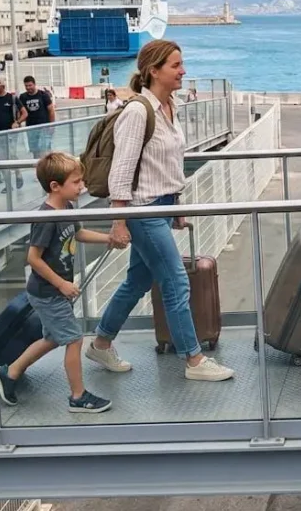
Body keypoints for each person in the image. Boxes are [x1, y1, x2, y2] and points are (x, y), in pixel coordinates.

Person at [88, 39, 234, 382]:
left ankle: (101, 342)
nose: (183, 71)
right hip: (142, 210)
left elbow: (168, 162)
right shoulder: (139, 111)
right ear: (154, 70)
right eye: (175, 65)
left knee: (138, 280)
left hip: (161, 205)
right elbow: (121, 171)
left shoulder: (170, 105)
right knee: (175, 281)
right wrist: (119, 221)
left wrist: (175, 204)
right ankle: (194, 360)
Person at [0, 152, 115, 413]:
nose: (81, 186)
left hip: (52, 291)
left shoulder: (67, 208)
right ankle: (77, 396)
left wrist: (107, 239)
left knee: (52, 338)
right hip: (48, 291)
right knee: (74, 338)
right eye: (76, 182)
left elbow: (78, 232)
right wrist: (61, 284)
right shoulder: (46, 217)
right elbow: (34, 258)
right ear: (55, 186)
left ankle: (10, 372)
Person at [0, 77, 23, 192]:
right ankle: (8, 184)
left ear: (3, 86)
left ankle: (18, 173)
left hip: (10, 132)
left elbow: (24, 112)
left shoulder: (12, 98)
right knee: (2, 157)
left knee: (12, 154)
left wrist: (17, 122)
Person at [17, 75, 55, 159]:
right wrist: (18, 122)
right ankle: (37, 166)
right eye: (26, 86)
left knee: (44, 149)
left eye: (30, 85)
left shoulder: (43, 95)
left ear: (34, 84)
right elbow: (21, 112)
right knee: (34, 149)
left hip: (44, 127)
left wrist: (52, 125)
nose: (28, 87)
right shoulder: (23, 97)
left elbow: (51, 110)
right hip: (30, 128)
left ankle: (47, 167)